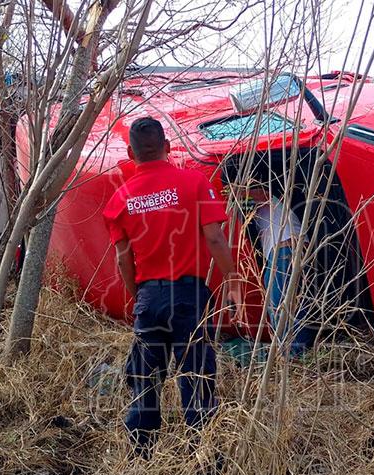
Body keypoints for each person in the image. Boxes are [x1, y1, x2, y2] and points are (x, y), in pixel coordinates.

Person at [102, 117, 244, 452]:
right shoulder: (194, 183)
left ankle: (141, 456)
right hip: (189, 297)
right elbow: (215, 238)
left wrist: (140, 296)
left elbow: (123, 259)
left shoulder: (119, 200)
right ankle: (202, 459)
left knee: (146, 381)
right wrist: (233, 279)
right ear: (167, 147)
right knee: (197, 379)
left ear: (130, 153)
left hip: (149, 297)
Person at [249, 188, 316, 356]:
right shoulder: (267, 204)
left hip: (285, 248)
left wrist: (234, 192)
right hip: (289, 248)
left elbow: (262, 193)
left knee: (279, 304)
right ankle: (295, 353)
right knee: (293, 303)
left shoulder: (267, 194)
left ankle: (292, 355)